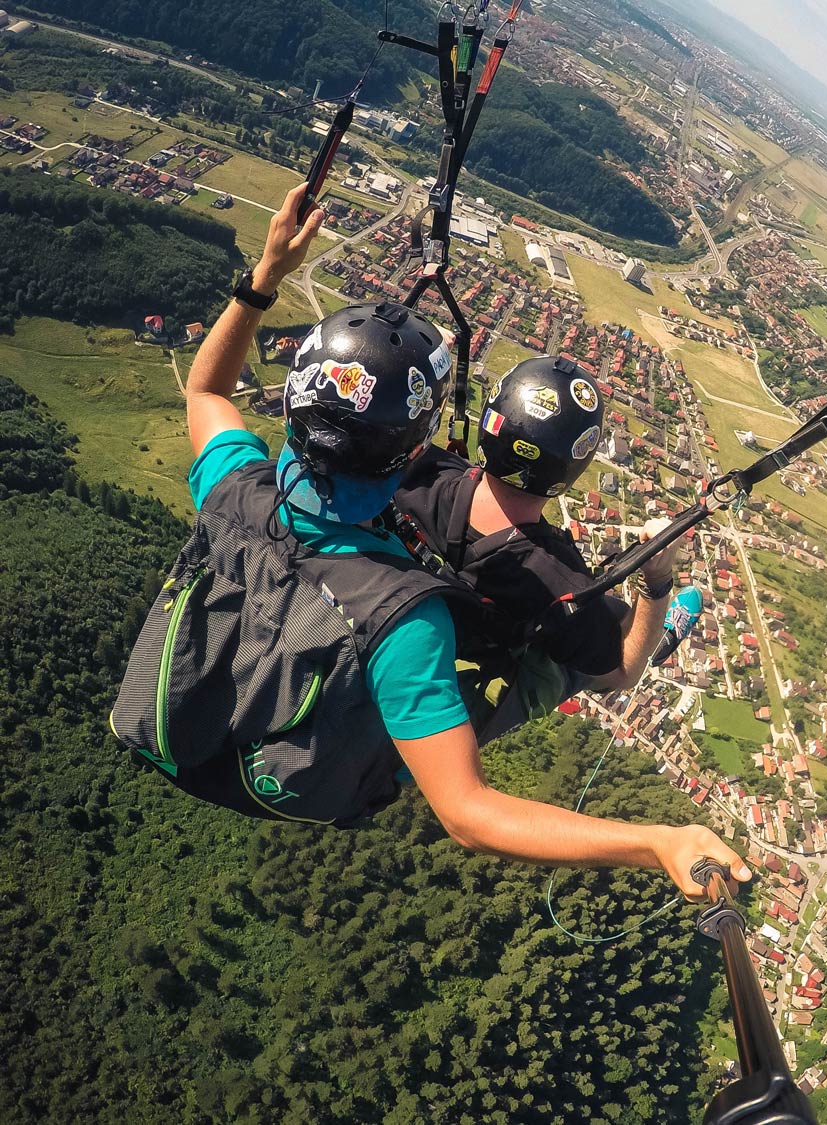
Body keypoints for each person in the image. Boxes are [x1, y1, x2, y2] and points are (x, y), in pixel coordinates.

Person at [111, 184, 748, 900]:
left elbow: (205, 392)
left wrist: (267, 275)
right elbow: (469, 813)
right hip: (301, 753)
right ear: (404, 454)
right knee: (553, 672)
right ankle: (655, 615)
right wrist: (656, 841)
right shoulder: (406, 625)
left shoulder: (236, 484)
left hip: (195, 714)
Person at [395, 355, 684, 742]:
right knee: (600, 632)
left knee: (600, 614)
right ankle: (653, 628)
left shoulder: (422, 472)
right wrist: (658, 581)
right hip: (468, 663)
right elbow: (624, 674)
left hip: (402, 629)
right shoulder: (556, 580)